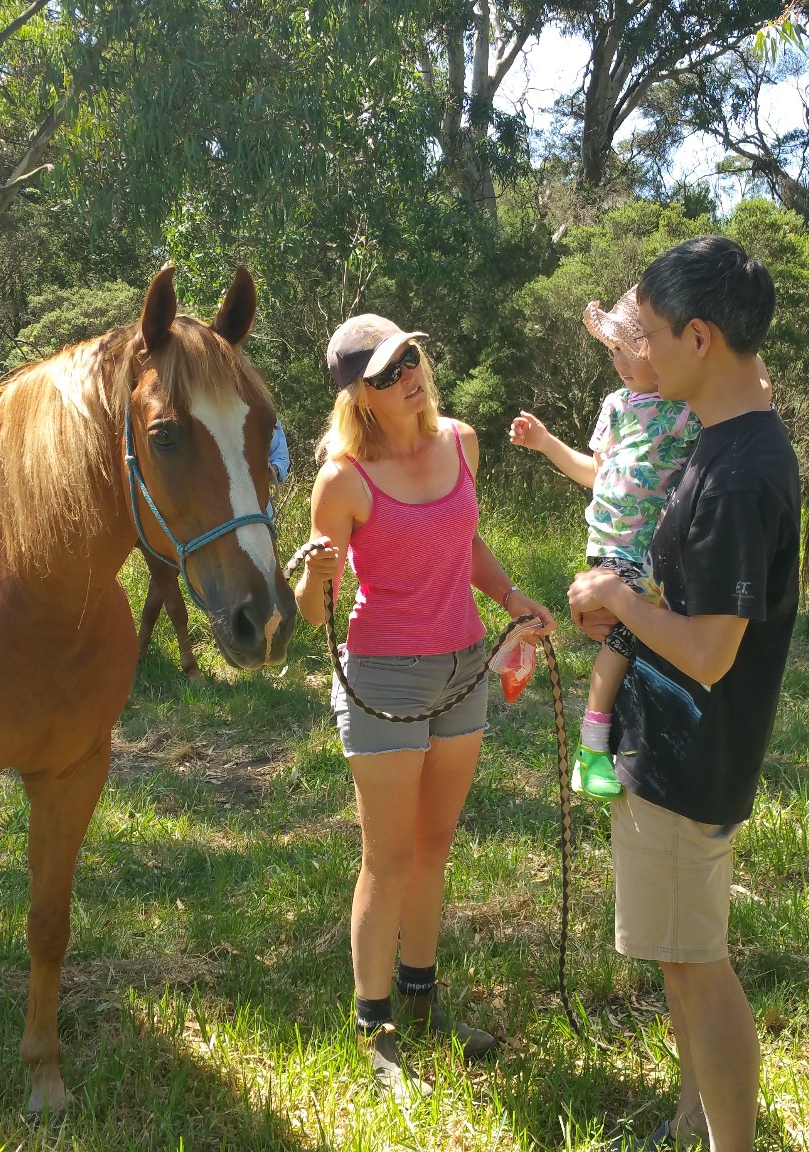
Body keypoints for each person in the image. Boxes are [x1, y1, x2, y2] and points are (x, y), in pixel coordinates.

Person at [292, 314, 559, 1100]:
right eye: (386, 371)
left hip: (464, 666)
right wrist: (313, 574)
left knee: (435, 846)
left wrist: (513, 597)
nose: (408, 373)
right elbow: (315, 613)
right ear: (360, 396)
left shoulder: (461, 442)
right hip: (385, 677)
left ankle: (422, 1001)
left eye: (410, 356)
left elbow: (466, 543)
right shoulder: (343, 479)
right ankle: (374, 1032)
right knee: (389, 856)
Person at [566, 237, 794, 1151]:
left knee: (700, 968)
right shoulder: (726, 438)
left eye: (651, 334)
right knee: (681, 957)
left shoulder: (739, 474)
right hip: (666, 746)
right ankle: (695, 1116)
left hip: (692, 757)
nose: (639, 352)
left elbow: (707, 651)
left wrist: (617, 598)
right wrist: (624, 616)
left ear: (700, 338)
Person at [509, 287, 699, 801]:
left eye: (627, 349)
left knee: (641, 637)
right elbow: (596, 474)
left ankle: (619, 740)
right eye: (612, 350)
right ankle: (592, 746)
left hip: (657, 548)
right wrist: (546, 442)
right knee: (626, 635)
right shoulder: (616, 405)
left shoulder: (686, 408)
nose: (617, 361)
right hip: (613, 542)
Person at [135, 419, 291, 675]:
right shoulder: (214, 422)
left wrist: (269, 471)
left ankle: (264, 637)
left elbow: (282, 460)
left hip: (257, 515)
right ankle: (150, 648)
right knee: (164, 581)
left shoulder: (270, 424)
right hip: (219, 517)